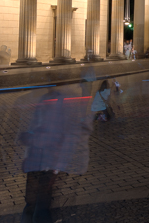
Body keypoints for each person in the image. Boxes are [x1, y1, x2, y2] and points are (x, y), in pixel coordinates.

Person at [18, 86, 92, 223]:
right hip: (36, 161)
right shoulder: (44, 99)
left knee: (41, 205)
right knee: (32, 202)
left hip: (49, 163)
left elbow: (67, 136)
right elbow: (36, 126)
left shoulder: (64, 102)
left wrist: (57, 167)